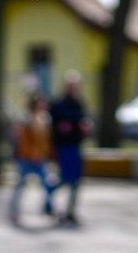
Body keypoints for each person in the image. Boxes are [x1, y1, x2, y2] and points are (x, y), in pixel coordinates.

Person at [8, 94, 56, 225]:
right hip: (26, 158)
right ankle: (14, 211)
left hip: (40, 159)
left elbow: (46, 141)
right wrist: (32, 155)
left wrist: (46, 154)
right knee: (20, 185)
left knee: (48, 183)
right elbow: (23, 141)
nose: (44, 106)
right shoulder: (25, 119)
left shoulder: (46, 119)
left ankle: (48, 208)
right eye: (41, 104)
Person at [50, 70, 89, 226]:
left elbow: (82, 121)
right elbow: (52, 127)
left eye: (75, 85)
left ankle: (70, 211)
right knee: (64, 180)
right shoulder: (58, 104)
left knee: (76, 181)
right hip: (63, 147)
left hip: (76, 146)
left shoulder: (79, 103)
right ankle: (49, 201)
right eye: (70, 85)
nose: (73, 88)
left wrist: (84, 127)